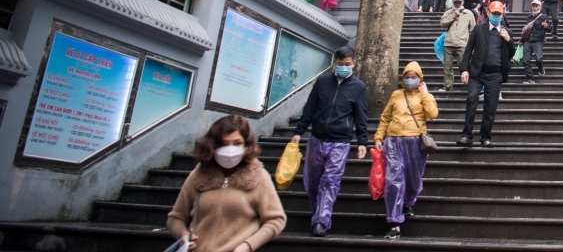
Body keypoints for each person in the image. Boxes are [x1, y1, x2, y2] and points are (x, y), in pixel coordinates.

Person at [168, 115, 286, 252]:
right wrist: (183, 234)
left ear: (246, 145)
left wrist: (248, 245)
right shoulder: (198, 174)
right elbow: (175, 218)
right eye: (224, 144)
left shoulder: (259, 177)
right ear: (213, 145)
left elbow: (276, 219)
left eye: (237, 143)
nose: (230, 150)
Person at [290, 47, 368, 237]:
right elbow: (310, 107)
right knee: (313, 181)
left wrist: (362, 142)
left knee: (330, 180)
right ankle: (317, 213)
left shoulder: (358, 87)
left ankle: (321, 221)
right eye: (340, 64)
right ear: (335, 63)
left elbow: (361, 115)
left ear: (354, 64)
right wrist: (299, 131)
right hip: (316, 138)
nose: (343, 67)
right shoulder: (323, 82)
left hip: (340, 141)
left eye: (347, 65)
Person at [375, 61, 439, 239]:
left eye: (414, 77)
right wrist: (379, 137)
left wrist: (425, 95)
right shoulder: (396, 95)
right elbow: (386, 117)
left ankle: (408, 201)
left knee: (413, 179)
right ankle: (394, 222)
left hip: (415, 143)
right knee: (393, 179)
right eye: (407, 77)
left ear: (420, 79)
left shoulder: (424, 95)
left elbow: (432, 114)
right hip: (394, 141)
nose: (410, 80)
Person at [457, 0, 515, 147]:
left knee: (491, 106)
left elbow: (511, 54)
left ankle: (485, 137)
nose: (496, 16)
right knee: (472, 99)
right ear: (488, 12)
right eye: (494, 13)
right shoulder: (479, 28)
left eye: (499, 14)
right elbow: (469, 49)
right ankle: (467, 135)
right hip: (477, 72)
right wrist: (464, 69)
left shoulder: (506, 31)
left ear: (502, 15)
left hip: (495, 74)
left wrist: (509, 41)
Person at [439, 0, 475, 92]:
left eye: (459, 2)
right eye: (456, 2)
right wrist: (454, 14)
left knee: (464, 66)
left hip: (462, 44)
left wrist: (473, 46)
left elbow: (473, 29)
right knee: (447, 67)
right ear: (453, 2)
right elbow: (442, 23)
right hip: (449, 43)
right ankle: (447, 86)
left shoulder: (468, 13)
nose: (458, 4)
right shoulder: (449, 12)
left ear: (463, 2)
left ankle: (468, 85)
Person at [522, 0, 552, 83]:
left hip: (538, 40)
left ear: (540, 6)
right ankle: (530, 78)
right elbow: (526, 29)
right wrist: (522, 40)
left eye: (536, 5)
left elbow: (550, 28)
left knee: (539, 59)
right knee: (526, 60)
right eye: (533, 6)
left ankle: (540, 68)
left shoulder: (544, 17)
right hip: (528, 40)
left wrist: (546, 26)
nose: (535, 7)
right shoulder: (529, 17)